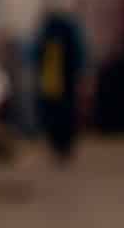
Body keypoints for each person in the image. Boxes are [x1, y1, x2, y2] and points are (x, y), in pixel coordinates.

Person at [32, 9, 87, 163]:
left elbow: (35, 55)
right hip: (60, 81)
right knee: (62, 114)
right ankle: (63, 148)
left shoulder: (47, 35)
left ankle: (60, 148)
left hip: (52, 81)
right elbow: (79, 56)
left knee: (55, 114)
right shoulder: (67, 33)